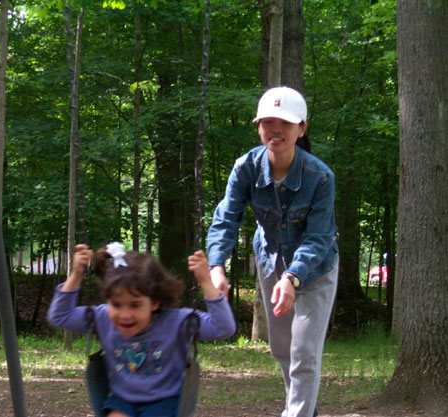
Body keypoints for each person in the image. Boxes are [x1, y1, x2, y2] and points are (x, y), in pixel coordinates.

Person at [206, 86, 338, 417]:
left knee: (304, 350)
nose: (275, 130)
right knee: (281, 348)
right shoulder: (246, 168)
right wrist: (216, 266)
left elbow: (320, 236)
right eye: (267, 122)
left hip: (316, 267)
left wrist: (292, 278)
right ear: (258, 126)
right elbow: (225, 219)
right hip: (271, 262)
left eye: (285, 123)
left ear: (301, 129)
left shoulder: (320, 176)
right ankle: (305, 409)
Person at [47, 242, 236, 417]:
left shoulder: (177, 322)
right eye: (117, 304)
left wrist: (205, 282)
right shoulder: (103, 317)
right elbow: (59, 316)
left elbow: (223, 328)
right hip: (122, 399)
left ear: (154, 302)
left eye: (135, 305)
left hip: (166, 400)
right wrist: (76, 275)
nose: (125, 314)